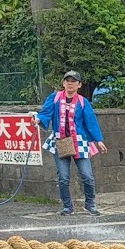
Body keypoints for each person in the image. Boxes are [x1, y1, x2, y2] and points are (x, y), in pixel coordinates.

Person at [36, 71, 106, 216]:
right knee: (63, 177)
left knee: (87, 175)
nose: (70, 84)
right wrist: (38, 119)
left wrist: (98, 140)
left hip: (79, 141)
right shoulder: (54, 98)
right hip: (60, 140)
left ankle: (90, 204)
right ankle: (67, 206)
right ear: (63, 83)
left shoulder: (82, 101)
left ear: (79, 85)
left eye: (74, 81)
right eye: (67, 81)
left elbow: (90, 121)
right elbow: (45, 113)